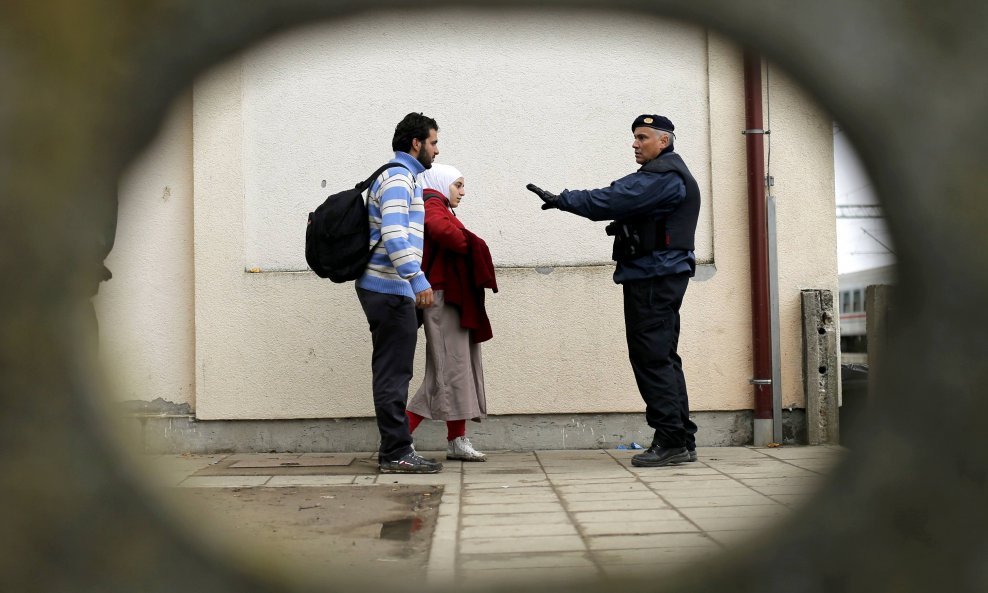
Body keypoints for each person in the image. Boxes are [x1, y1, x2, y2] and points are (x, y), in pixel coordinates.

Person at [526, 114, 700, 467]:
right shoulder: (664, 176)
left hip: (653, 276)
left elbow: (611, 199)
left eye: (642, 137)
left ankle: (670, 440)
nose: (635, 143)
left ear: (663, 142)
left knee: (652, 359)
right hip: (657, 274)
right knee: (663, 357)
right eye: (634, 137)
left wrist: (564, 199)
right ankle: (680, 437)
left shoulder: (663, 177)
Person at [356, 112, 442, 474]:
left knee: (392, 370)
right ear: (416, 143)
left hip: (387, 288)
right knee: (394, 373)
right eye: (434, 142)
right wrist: (416, 279)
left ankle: (395, 448)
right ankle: (395, 453)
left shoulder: (399, 177)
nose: (437, 151)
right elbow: (394, 234)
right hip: (388, 288)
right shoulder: (398, 178)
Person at [406, 164, 497, 462]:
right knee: (447, 372)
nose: (462, 191)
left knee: (454, 371)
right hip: (444, 299)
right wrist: (473, 241)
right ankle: (399, 439)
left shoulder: (437, 204)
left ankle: (455, 439)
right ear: (443, 183)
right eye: (458, 185)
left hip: (451, 299)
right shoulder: (432, 203)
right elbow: (445, 233)